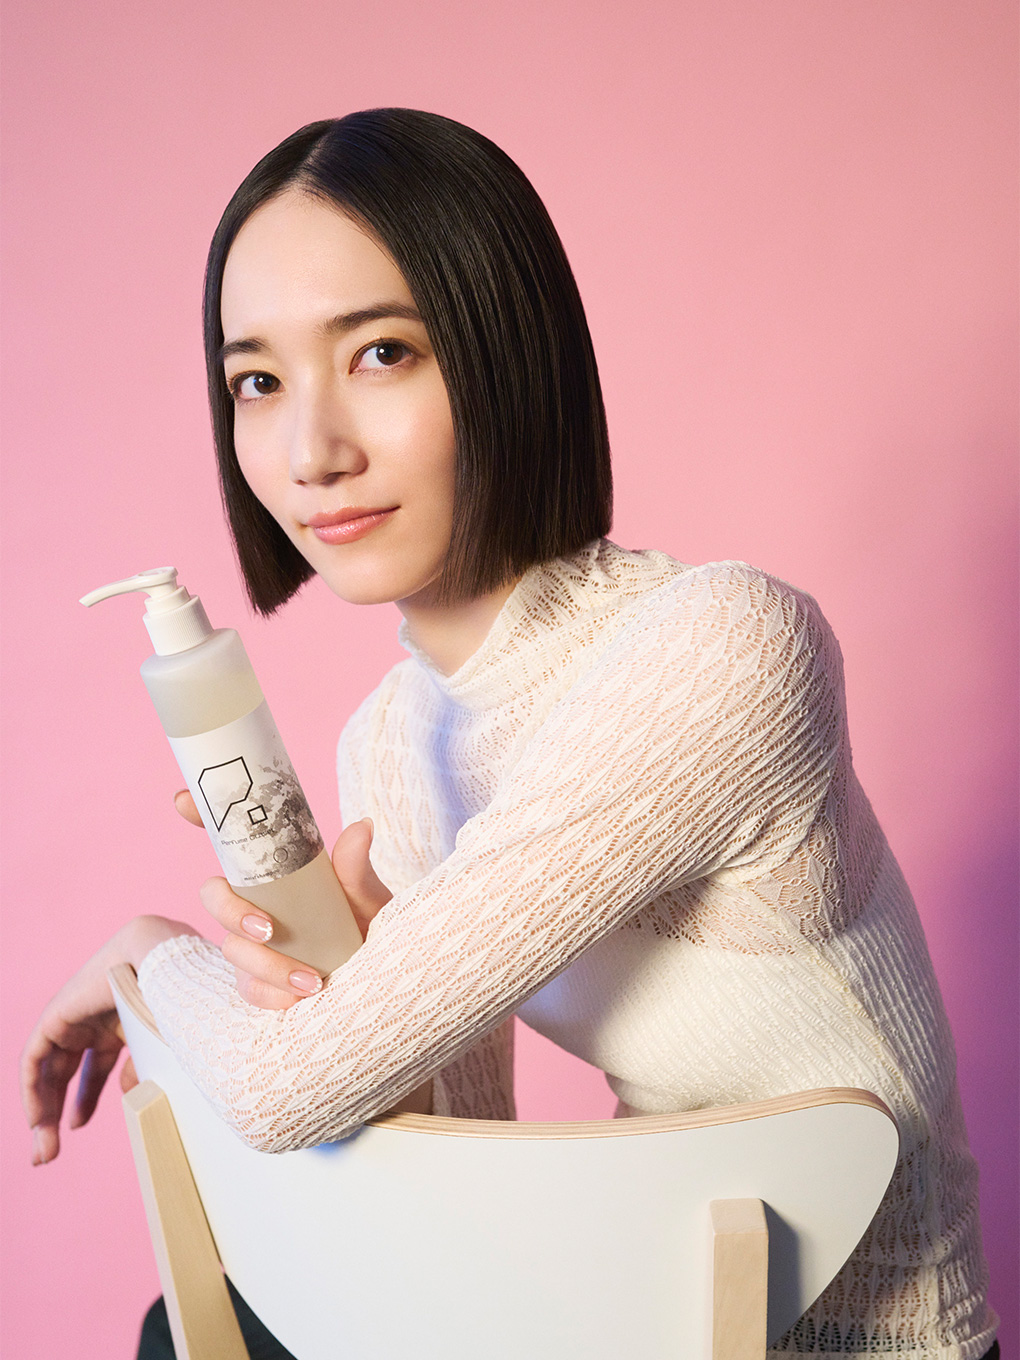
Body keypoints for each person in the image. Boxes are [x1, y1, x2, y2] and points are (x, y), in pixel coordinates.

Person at [21, 109, 999, 1359]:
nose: (312, 450)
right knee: (206, 1322)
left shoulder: (722, 648)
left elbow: (278, 1092)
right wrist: (344, 982)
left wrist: (150, 956)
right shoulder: (392, 743)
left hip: (853, 1340)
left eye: (380, 353)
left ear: (505, 351)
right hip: (635, 1320)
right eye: (256, 381)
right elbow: (461, 1161)